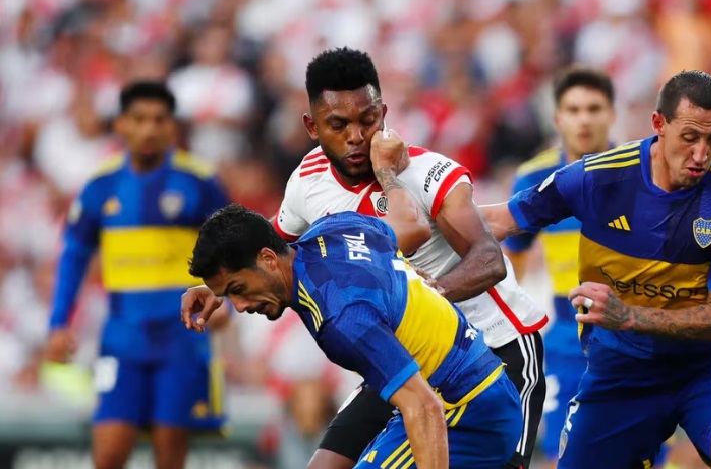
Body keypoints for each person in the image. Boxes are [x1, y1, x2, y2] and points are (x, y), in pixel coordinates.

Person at [182, 47, 547, 469]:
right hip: (404, 351)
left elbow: (489, 261)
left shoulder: (425, 173)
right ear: (312, 126)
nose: (356, 136)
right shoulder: (307, 182)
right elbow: (268, 248)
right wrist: (216, 287)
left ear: (384, 114)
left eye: (368, 120)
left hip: (497, 346)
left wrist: (428, 293)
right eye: (338, 124)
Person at [481, 70, 711, 469]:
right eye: (690, 137)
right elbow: (497, 221)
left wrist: (630, 316)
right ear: (659, 124)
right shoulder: (597, 177)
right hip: (624, 367)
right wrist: (413, 201)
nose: (701, 155)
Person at [184, 204, 524, 469]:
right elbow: (400, 225)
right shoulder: (335, 228)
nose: (240, 307)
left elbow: (424, 407)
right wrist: (220, 290)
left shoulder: (341, 318)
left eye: (238, 289)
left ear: (268, 259)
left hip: (465, 409)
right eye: (230, 294)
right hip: (474, 387)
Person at [45, 81, 230, 469]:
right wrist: (59, 323)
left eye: (159, 120)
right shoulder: (101, 185)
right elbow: (74, 253)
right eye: (139, 119)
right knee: (108, 454)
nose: (149, 129)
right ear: (121, 125)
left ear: (172, 127)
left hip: (181, 337)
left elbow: (231, 247)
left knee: (169, 456)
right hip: (122, 338)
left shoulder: (199, 181)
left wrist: (226, 298)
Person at [503, 66, 615, 469]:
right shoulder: (534, 178)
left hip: (631, 337)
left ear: (611, 115)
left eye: (593, 109)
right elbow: (511, 266)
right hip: (566, 341)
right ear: (557, 118)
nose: (584, 119)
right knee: (560, 456)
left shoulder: (640, 173)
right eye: (574, 109)